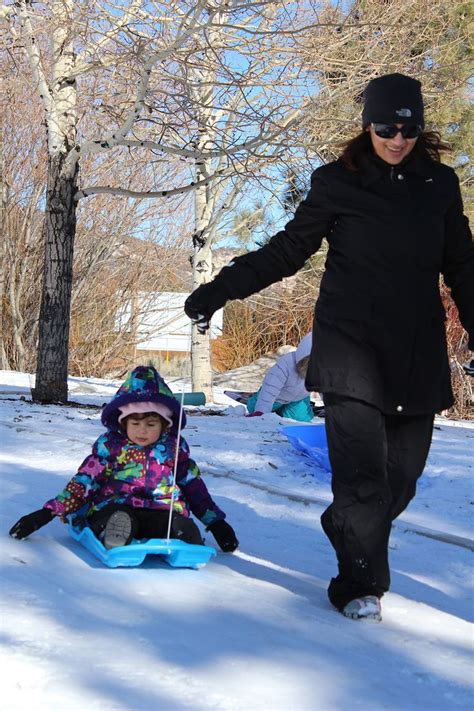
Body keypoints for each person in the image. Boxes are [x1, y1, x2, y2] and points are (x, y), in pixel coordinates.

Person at [184, 73, 474, 621]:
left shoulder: (440, 185)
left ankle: (345, 524)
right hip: (350, 352)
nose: (397, 139)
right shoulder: (337, 183)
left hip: (416, 354)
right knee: (363, 480)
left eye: (408, 130)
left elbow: (462, 264)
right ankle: (359, 585)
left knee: (401, 479)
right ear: (368, 125)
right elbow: (287, 250)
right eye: (386, 127)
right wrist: (219, 290)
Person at [9, 366, 239, 553]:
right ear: (123, 423)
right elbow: (84, 482)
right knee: (115, 518)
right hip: (116, 505)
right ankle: (114, 533)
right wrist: (48, 512)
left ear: (165, 425)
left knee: (180, 524)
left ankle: (181, 533)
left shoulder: (174, 451)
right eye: (135, 424)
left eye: (151, 424)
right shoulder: (111, 448)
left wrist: (215, 522)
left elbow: (194, 488)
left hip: (160, 509)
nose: (142, 431)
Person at [245, 332, 314, 421]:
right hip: (278, 397)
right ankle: (255, 399)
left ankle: (283, 411)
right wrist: (261, 411)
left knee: (301, 418)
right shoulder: (286, 364)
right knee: (255, 409)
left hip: (298, 399)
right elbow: (270, 388)